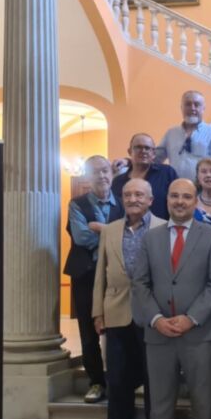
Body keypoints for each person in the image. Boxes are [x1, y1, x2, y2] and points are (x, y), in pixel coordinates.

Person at [132, 179, 211, 419]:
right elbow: (140, 284)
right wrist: (156, 319)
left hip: (198, 333)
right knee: (159, 406)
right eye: (174, 195)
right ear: (167, 199)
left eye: (187, 196)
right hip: (158, 334)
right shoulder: (151, 238)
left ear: (195, 201)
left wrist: (191, 318)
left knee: (203, 403)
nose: (180, 201)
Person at [93, 179, 166, 419]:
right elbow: (100, 272)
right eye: (127, 194)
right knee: (117, 371)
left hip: (152, 311)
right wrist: (97, 312)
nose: (132, 198)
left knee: (153, 372)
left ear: (150, 200)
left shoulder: (163, 227)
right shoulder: (110, 230)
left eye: (139, 194)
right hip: (116, 309)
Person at [64, 155, 122, 404]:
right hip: (86, 274)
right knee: (88, 333)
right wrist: (112, 233)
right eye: (96, 172)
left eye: (105, 170)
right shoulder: (76, 204)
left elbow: (129, 239)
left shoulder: (123, 203)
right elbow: (82, 238)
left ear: (112, 174)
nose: (102, 176)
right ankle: (97, 381)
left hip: (116, 276)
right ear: (87, 177)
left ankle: (120, 381)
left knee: (118, 330)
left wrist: (99, 228)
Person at [157, 90, 211, 181]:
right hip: (175, 188)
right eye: (188, 104)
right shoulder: (171, 133)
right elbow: (155, 158)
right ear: (181, 108)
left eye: (196, 105)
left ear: (203, 108)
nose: (192, 108)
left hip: (202, 190)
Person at [111, 132, 177, 220]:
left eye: (147, 148)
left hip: (162, 231)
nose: (143, 151)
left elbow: (177, 201)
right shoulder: (118, 182)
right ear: (130, 151)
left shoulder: (167, 173)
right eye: (138, 147)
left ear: (153, 153)